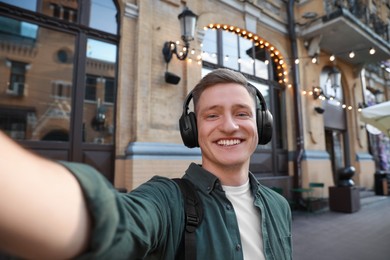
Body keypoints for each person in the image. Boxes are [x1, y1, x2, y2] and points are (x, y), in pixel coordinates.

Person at [0, 68, 292, 259]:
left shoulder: (279, 207)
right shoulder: (166, 201)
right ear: (191, 129)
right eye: (212, 115)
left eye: (242, 113)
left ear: (262, 126)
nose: (229, 126)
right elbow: (115, 223)